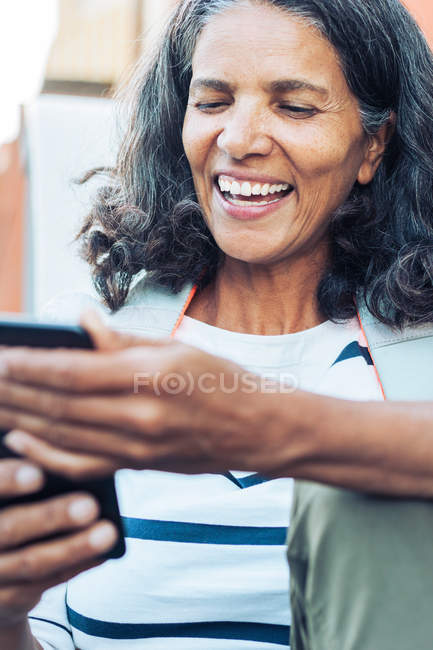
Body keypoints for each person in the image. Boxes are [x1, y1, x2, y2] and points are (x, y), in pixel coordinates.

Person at [0, 0, 432, 648]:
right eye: (212, 101)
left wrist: (256, 426)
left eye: (293, 106)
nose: (238, 140)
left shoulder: (417, 360)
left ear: (372, 143)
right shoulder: (91, 357)